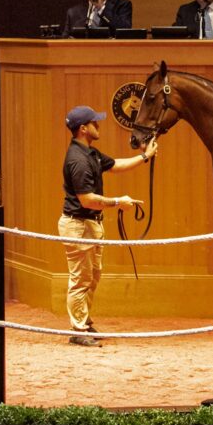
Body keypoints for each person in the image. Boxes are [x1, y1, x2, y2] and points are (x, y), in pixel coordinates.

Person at [58, 104, 158, 346]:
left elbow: (116, 165)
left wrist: (145, 156)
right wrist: (117, 202)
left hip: (89, 225)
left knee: (91, 277)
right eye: (95, 122)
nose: (98, 125)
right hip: (79, 225)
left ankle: (84, 322)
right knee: (80, 279)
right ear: (84, 129)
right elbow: (87, 199)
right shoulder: (78, 160)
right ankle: (78, 329)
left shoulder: (90, 153)